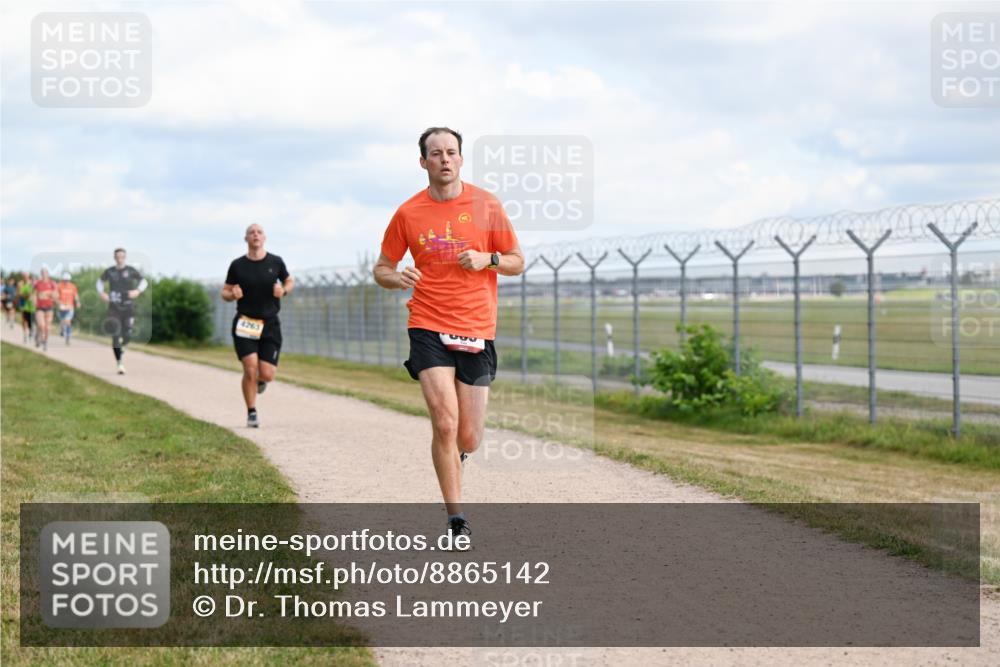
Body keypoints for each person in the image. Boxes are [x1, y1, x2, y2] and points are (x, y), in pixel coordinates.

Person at [373, 127, 524, 540]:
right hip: (427, 323)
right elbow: (382, 268)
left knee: (468, 437)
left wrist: (488, 259)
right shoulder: (408, 213)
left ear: (460, 159)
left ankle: (457, 456)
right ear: (423, 162)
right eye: (436, 153)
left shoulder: (486, 205)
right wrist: (397, 277)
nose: (444, 159)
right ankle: (457, 520)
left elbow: (517, 260)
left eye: (451, 152)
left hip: (476, 326)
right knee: (444, 422)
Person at [221, 224, 293, 428]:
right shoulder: (237, 265)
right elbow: (224, 292)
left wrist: (283, 291)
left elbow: (289, 281)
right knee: (250, 367)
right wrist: (232, 294)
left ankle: (260, 382)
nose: (255, 234)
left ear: (264, 238)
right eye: (251, 232)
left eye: (259, 232)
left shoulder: (275, 262)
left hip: (270, 323)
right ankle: (251, 412)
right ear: (246, 238)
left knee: (267, 374)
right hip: (247, 322)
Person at [97, 248, 148, 374]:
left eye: (122, 256)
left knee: (128, 334)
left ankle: (122, 346)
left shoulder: (131, 270)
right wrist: (102, 293)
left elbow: (144, 281)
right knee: (115, 333)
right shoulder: (110, 271)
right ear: (114, 258)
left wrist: (138, 291)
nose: (120, 259)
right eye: (117, 256)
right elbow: (99, 282)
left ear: (125, 257)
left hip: (128, 307)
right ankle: (119, 363)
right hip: (114, 307)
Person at [57, 272, 81, 345]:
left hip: (70, 306)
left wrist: (77, 302)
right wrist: (58, 303)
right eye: (65, 280)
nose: (66, 281)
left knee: (68, 321)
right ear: (63, 280)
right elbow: (56, 295)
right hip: (61, 307)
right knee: (62, 321)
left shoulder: (73, 286)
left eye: (67, 280)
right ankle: (62, 330)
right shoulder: (59, 286)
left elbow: (75, 295)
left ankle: (68, 337)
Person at [17, 274, 35, 344]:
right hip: (24, 305)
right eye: (24, 277)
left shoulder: (33, 285)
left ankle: (30, 332)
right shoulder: (21, 284)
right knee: (24, 321)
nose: (26, 278)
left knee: (31, 322)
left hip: (32, 306)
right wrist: (27, 295)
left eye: (27, 277)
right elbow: (19, 294)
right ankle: (25, 335)